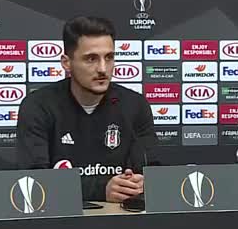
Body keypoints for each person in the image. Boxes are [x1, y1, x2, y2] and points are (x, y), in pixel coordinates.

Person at [16, 16, 158, 202]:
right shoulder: (38, 106)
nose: (103, 69)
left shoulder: (135, 105)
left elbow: (153, 170)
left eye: (109, 57)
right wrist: (101, 189)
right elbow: (33, 181)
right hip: (62, 217)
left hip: (123, 216)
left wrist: (142, 183)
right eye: (91, 59)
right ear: (66, 63)